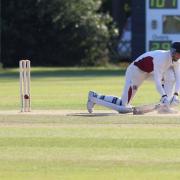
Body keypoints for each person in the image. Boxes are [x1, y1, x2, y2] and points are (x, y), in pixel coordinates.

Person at [87, 42, 180, 113]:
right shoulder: (161, 59)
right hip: (136, 72)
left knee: (171, 76)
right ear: (173, 52)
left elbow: (178, 77)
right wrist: (164, 96)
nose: (179, 56)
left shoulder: (176, 60)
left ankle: (164, 108)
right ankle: (94, 97)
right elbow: (157, 81)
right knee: (124, 107)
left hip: (149, 72)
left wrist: (176, 95)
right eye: (179, 53)